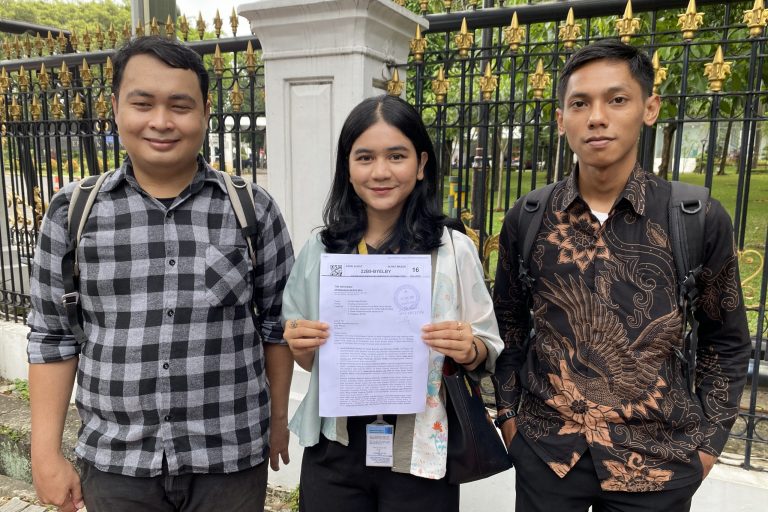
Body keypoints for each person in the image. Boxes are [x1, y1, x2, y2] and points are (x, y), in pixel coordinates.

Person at [26, 36, 294, 512]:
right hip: (116, 462)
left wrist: (277, 422)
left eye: (180, 105)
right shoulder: (73, 212)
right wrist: (45, 452)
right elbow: (52, 336)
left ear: (206, 113)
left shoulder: (251, 209)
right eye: (143, 103)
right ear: (115, 108)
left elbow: (278, 326)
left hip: (229, 458)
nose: (162, 121)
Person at [492, 39, 751, 512]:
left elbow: (726, 341)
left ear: (649, 109)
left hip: (659, 461)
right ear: (561, 119)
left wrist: (709, 446)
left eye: (616, 99)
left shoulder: (694, 217)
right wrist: (510, 418)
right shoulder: (528, 217)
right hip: (548, 454)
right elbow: (506, 326)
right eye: (580, 103)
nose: (596, 117)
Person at [281, 95, 503, 512]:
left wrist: (468, 346)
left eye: (396, 156)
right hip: (336, 448)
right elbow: (306, 354)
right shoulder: (322, 250)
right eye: (365, 157)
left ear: (421, 165)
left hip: (421, 452)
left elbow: (486, 346)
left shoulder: (453, 250)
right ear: (347, 168)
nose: (380, 172)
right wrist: (300, 343)